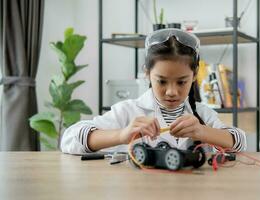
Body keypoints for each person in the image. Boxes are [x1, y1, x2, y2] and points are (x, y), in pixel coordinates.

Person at [61, 28, 246, 154]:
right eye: (162, 81)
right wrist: (121, 135)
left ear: (195, 74)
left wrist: (202, 132)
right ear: (147, 73)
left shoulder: (203, 114)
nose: (172, 92)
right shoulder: (127, 112)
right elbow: (69, 139)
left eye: (181, 82)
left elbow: (239, 142)